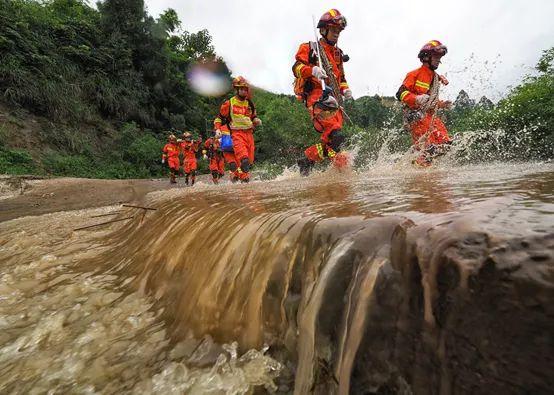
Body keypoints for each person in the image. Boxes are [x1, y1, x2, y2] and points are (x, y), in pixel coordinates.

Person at [293, 9, 352, 176]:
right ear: (323, 30)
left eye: (338, 31)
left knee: (332, 142)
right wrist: (311, 71)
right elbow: (296, 67)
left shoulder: (338, 54)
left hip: (335, 101)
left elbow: (341, 78)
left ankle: (307, 159)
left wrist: (345, 89)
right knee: (338, 137)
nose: (336, 34)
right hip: (318, 99)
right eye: (333, 30)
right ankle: (340, 175)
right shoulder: (310, 48)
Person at [396, 40, 453, 167]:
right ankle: (417, 170)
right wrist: (415, 99)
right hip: (416, 115)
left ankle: (421, 171)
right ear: (426, 57)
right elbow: (400, 93)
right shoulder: (413, 74)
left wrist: (443, 104)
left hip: (430, 115)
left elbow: (430, 101)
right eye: (436, 56)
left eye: (440, 57)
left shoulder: (435, 77)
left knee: (445, 144)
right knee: (429, 148)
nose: (439, 60)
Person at [213, 76, 262, 183]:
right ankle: (237, 175)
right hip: (237, 134)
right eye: (242, 89)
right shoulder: (229, 103)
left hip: (249, 134)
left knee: (248, 162)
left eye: (246, 89)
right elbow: (219, 118)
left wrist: (256, 120)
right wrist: (217, 129)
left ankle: (243, 181)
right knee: (244, 159)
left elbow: (252, 116)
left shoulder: (250, 103)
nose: (244, 91)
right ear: (237, 89)